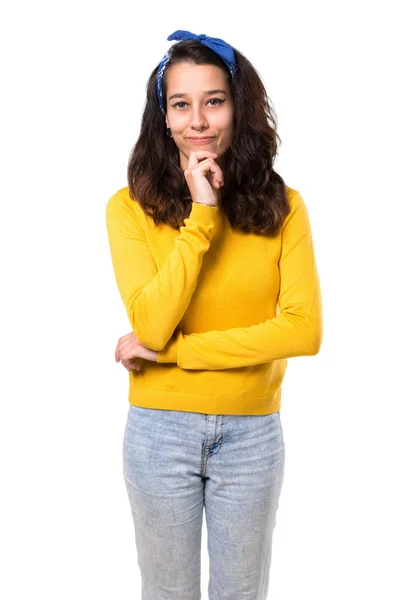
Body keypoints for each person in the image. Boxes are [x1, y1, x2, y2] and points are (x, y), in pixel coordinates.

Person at [105, 29, 323, 600]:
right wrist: (202, 215)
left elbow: (304, 330)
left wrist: (178, 354)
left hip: (252, 435)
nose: (198, 120)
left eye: (214, 101)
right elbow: (150, 324)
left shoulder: (284, 206)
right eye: (181, 104)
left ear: (238, 106)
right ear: (164, 117)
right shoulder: (129, 208)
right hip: (159, 433)